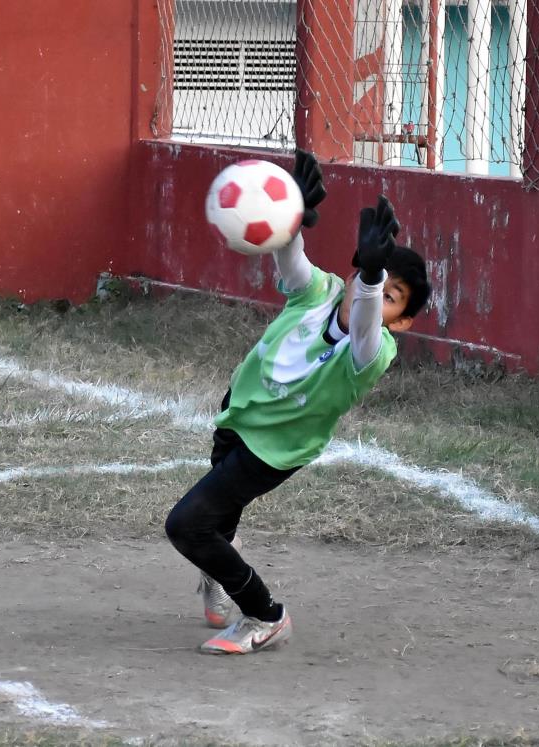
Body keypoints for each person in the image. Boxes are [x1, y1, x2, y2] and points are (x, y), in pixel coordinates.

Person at [164, 150, 432, 655]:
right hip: (239, 414)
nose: (371, 292)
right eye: (370, 279)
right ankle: (222, 563)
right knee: (218, 523)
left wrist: (374, 279)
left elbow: (367, 323)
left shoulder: (372, 352)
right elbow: (294, 265)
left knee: (188, 525)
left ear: (402, 320)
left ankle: (265, 616)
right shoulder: (323, 293)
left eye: (393, 296)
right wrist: (290, 219)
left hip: (274, 449)